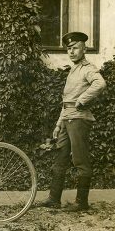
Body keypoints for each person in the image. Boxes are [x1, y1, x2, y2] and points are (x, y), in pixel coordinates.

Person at [39, 32, 106, 212]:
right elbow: (66, 100)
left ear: (84, 48)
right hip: (67, 118)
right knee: (60, 159)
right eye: (69, 48)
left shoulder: (88, 68)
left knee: (80, 161)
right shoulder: (73, 70)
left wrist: (83, 100)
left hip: (78, 119)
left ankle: (81, 202)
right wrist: (58, 124)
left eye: (75, 47)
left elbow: (100, 84)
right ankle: (54, 198)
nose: (71, 51)